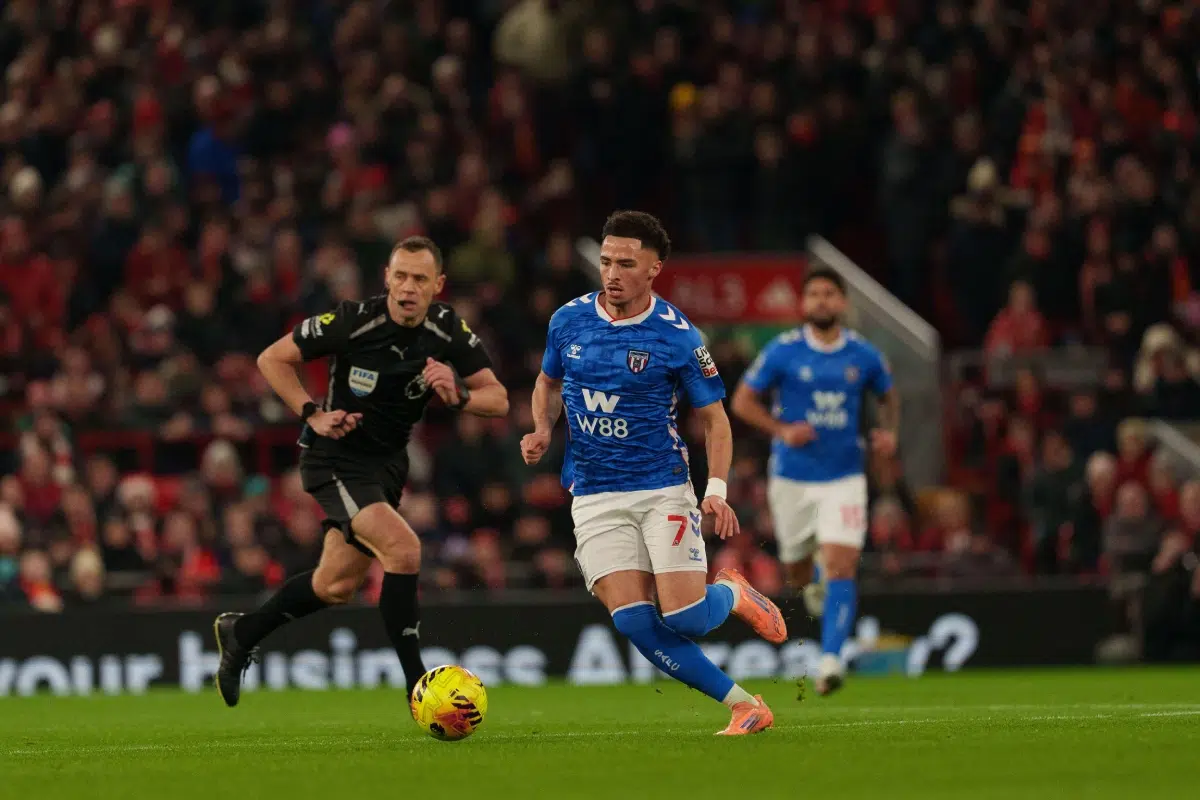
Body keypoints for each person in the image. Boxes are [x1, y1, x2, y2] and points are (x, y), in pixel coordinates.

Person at [212, 236, 509, 710]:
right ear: (387, 278)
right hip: (335, 457)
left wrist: (460, 396)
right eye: (400, 276)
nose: (408, 287)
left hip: (387, 466)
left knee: (335, 585)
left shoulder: (447, 330)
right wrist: (311, 412)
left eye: (419, 279)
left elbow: (498, 398)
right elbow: (272, 358)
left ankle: (242, 632)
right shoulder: (354, 320)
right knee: (403, 547)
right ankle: (420, 689)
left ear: (438, 285)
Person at [521, 210, 787, 736]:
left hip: (661, 488)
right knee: (635, 622)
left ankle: (732, 593)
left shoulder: (679, 337)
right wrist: (543, 430)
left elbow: (716, 420)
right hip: (594, 494)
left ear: (654, 268)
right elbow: (547, 384)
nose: (612, 273)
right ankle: (744, 706)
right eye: (605, 262)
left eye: (626, 263)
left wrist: (716, 489)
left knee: (684, 617)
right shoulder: (567, 320)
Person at [731, 267, 898, 696]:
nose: (821, 301)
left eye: (829, 294)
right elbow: (742, 402)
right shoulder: (783, 352)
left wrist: (888, 431)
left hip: (845, 475)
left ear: (841, 303)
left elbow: (888, 393)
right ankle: (814, 580)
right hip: (792, 478)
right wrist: (782, 430)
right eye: (814, 294)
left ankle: (831, 659)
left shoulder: (862, 354)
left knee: (843, 564)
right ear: (803, 304)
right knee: (797, 570)